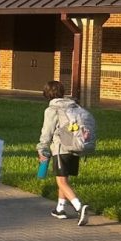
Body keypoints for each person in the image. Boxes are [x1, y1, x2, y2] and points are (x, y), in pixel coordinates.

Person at [37, 80, 91, 225]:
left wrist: (41, 148)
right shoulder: (73, 107)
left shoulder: (52, 110)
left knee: (60, 181)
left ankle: (79, 206)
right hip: (75, 147)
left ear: (46, 94)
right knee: (64, 179)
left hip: (61, 149)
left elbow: (47, 132)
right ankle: (60, 209)